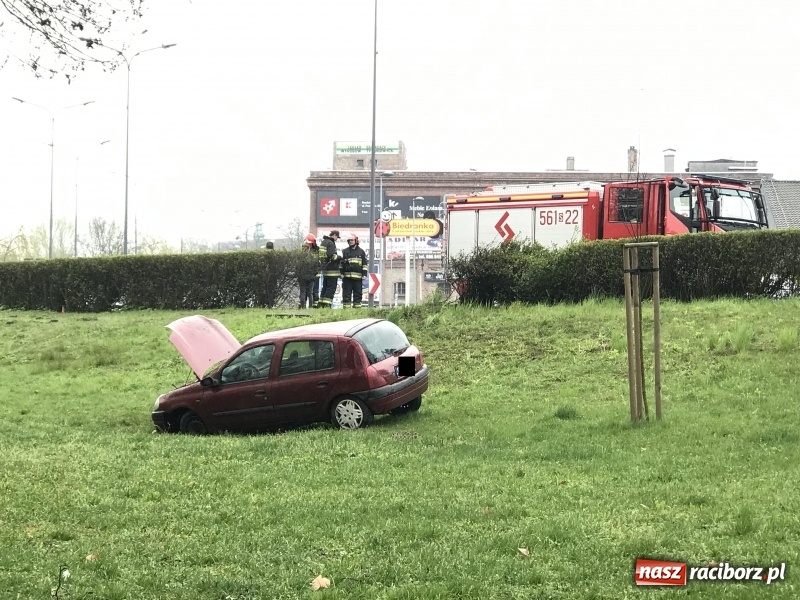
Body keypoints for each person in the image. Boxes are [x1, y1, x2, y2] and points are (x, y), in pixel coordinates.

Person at [340, 232, 368, 308]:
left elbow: (364, 264)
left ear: (356, 241)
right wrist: (341, 273)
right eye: (349, 240)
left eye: (352, 240)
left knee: (358, 294)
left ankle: (357, 310)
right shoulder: (345, 251)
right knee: (346, 294)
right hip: (347, 278)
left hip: (358, 278)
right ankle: (346, 311)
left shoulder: (361, 252)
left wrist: (364, 274)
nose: (350, 242)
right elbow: (341, 263)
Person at [317, 230, 341, 308]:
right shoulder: (331, 243)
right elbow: (332, 256)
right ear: (334, 235)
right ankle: (327, 305)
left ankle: (321, 304)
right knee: (331, 288)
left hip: (325, 270)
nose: (337, 238)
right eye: (337, 237)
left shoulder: (324, 242)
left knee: (325, 287)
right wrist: (340, 257)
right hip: (332, 270)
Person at [299, 233, 320, 309]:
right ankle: (309, 307)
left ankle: (303, 307)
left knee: (304, 292)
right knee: (309, 293)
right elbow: (316, 265)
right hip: (312, 276)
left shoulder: (300, 255)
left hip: (306, 276)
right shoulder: (313, 255)